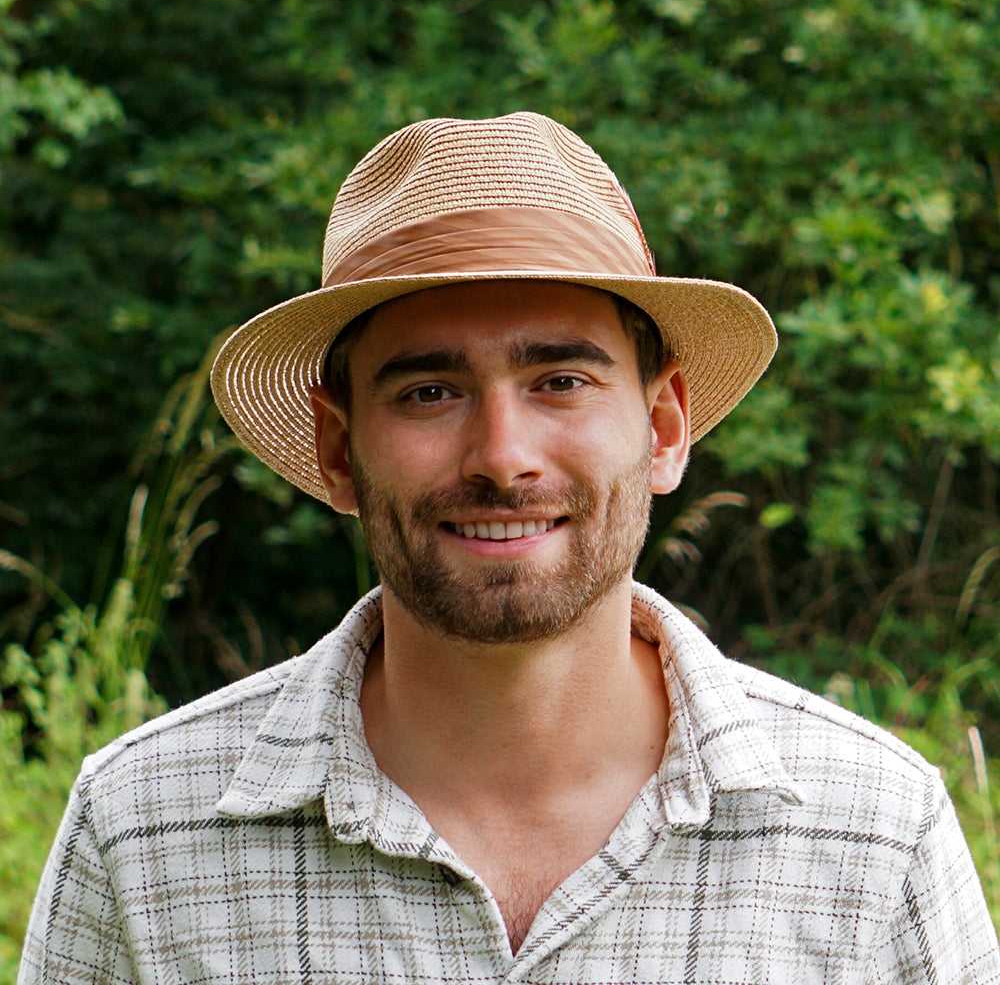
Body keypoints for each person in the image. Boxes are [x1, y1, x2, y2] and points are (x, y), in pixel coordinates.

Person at [19, 112, 999, 984]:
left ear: (662, 427)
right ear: (336, 449)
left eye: (561, 381)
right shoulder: (142, 831)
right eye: (428, 392)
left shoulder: (872, 832)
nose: (502, 458)